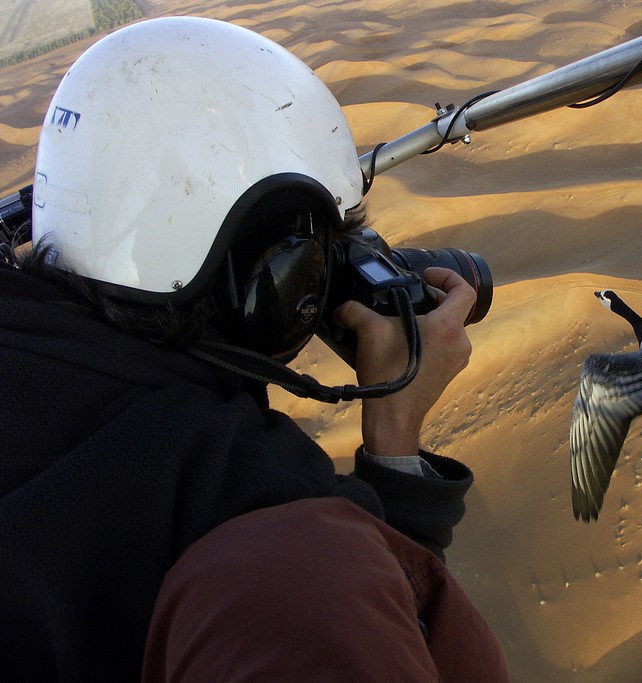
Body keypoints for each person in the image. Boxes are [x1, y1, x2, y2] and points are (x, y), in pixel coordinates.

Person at [0, 16, 509, 682]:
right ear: (274, 285)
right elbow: (394, 636)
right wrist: (396, 445)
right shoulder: (270, 534)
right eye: (326, 253)